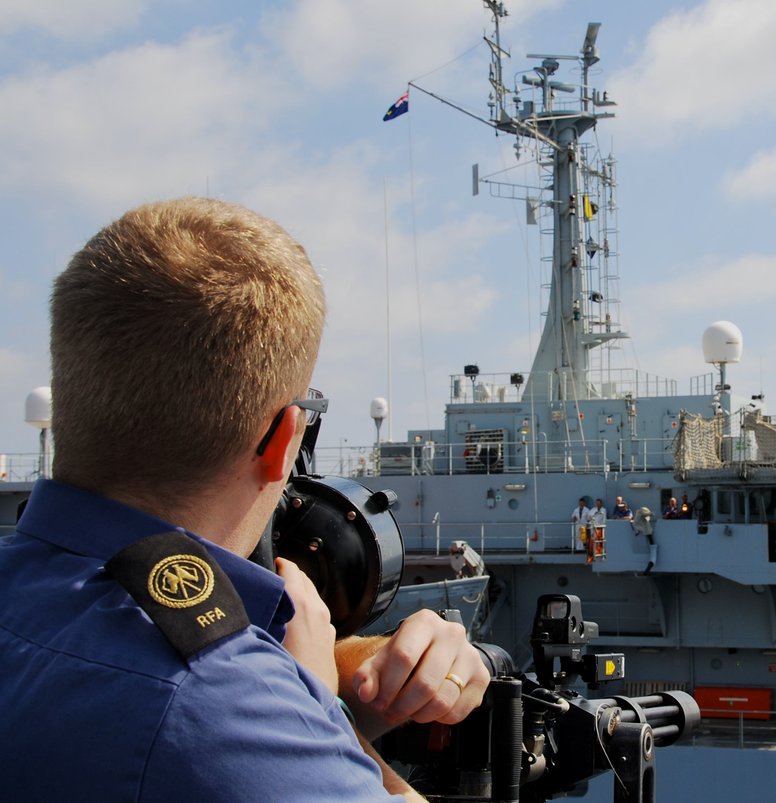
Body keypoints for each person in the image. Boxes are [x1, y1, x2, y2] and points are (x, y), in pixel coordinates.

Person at [0, 198, 489, 801]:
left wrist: (354, 658)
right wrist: (314, 707)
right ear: (284, 439)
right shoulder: (231, 718)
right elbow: (206, 704)